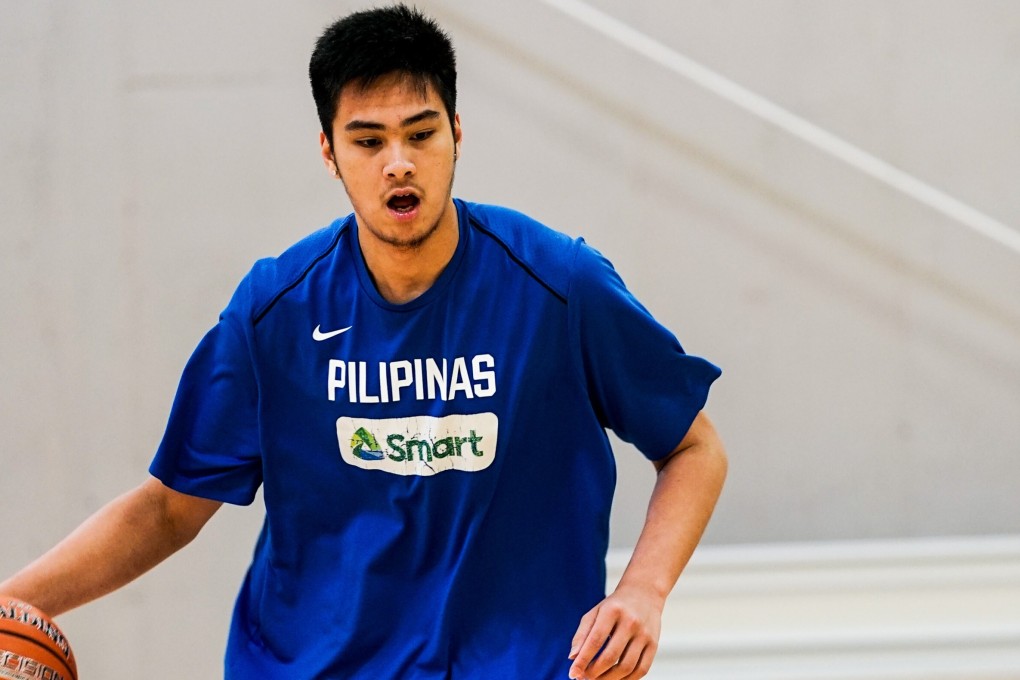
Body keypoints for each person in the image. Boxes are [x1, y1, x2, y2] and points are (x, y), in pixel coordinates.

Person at [1, 5, 727, 679]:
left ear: (457, 134)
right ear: (329, 151)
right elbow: (167, 509)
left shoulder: (561, 286)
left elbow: (694, 448)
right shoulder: (274, 311)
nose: (398, 163)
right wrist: (13, 605)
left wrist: (644, 590)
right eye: (368, 141)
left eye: (421, 134)